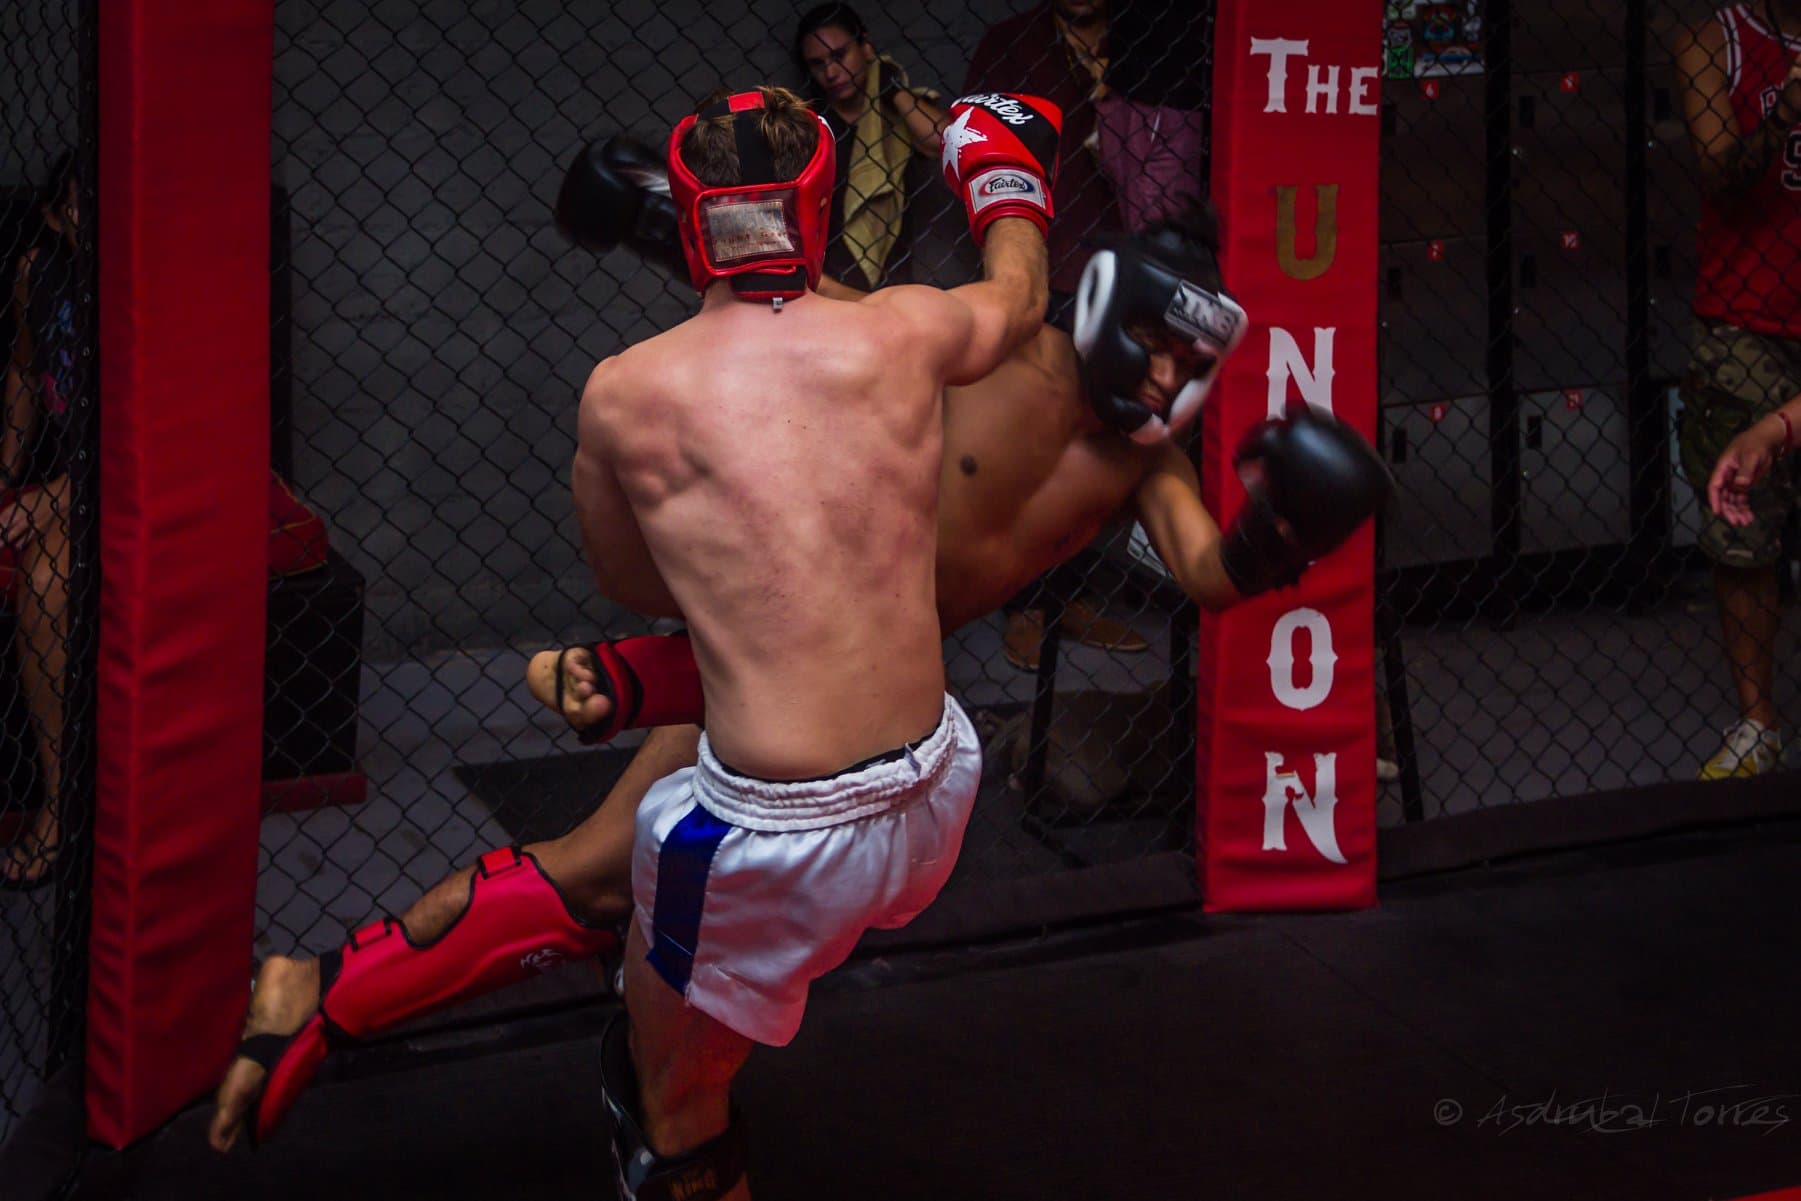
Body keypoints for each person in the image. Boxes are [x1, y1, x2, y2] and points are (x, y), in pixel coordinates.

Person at [208, 129, 1390, 1165]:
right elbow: (805, 316)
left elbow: (1201, 574)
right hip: (780, 640)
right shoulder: (973, 353)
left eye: (1193, 365)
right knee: (591, 871)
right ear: (1103, 303)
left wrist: (1277, 534)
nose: (1172, 376)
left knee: (607, 878)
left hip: (868, 702)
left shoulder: (1147, 463)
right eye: (1160, 342)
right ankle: (342, 993)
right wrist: (661, 221)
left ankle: (534, 1020)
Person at [212, 86, 1064, 1201]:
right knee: (608, 888)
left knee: (674, 1112)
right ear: (815, 209)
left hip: (770, 829)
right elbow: (1018, 296)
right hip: (941, 780)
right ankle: (333, 993)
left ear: (686, 212)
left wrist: (732, 535)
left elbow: (629, 578)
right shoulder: (903, 331)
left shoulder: (625, 393)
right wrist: (995, 167)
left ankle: (631, 1092)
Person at [1673, 3, 1801, 779]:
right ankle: (1757, 721)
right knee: (1743, 529)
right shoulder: (1709, 41)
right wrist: (1783, 110)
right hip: (1745, 318)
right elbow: (1718, 173)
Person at [1, 154, 81, 890]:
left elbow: (147, 430)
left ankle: (61, 810)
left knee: (50, 576)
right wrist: (5, 472)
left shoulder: (153, 286)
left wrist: (51, 497)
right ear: (61, 216)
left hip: (137, 476)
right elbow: (27, 373)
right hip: (68, 477)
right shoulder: (43, 270)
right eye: (85, 209)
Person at [965, 0, 1120, 307]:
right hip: (1044, 245)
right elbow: (974, 140)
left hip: (1126, 241)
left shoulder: (1139, 40)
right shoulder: (1011, 43)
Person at [794, 3, 949, 290]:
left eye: (839, 55)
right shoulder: (809, 126)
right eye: (818, 64)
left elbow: (943, 142)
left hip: (894, 280)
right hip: (828, 286)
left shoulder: (895, 115)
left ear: (865, 46)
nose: (830, 72)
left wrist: (890, 88)